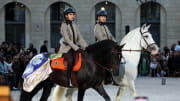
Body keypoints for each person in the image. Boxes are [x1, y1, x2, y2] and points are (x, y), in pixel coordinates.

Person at [58, 7, 87, 87]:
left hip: (74, 47)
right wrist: (76, 48)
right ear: (66, 16)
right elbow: (67, 40)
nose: (72, 16)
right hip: (66, 48)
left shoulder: (74, 24)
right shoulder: (63, 26)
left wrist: (85, 46)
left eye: (73, 14)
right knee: (70, 61)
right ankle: (68, 79)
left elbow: (79, 37)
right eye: (70, 14)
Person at [94, 8, 116, 84]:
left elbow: (110, 36)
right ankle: (107, 78)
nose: (104, 18)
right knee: (107, 59)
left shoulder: (105, 27)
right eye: (102, 17)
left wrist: (116, 43)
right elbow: (100, 38)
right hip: (101, 47)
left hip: (108, 46)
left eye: (104, 17)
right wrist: (109, 43)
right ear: (98, 18)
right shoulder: (97, 26)